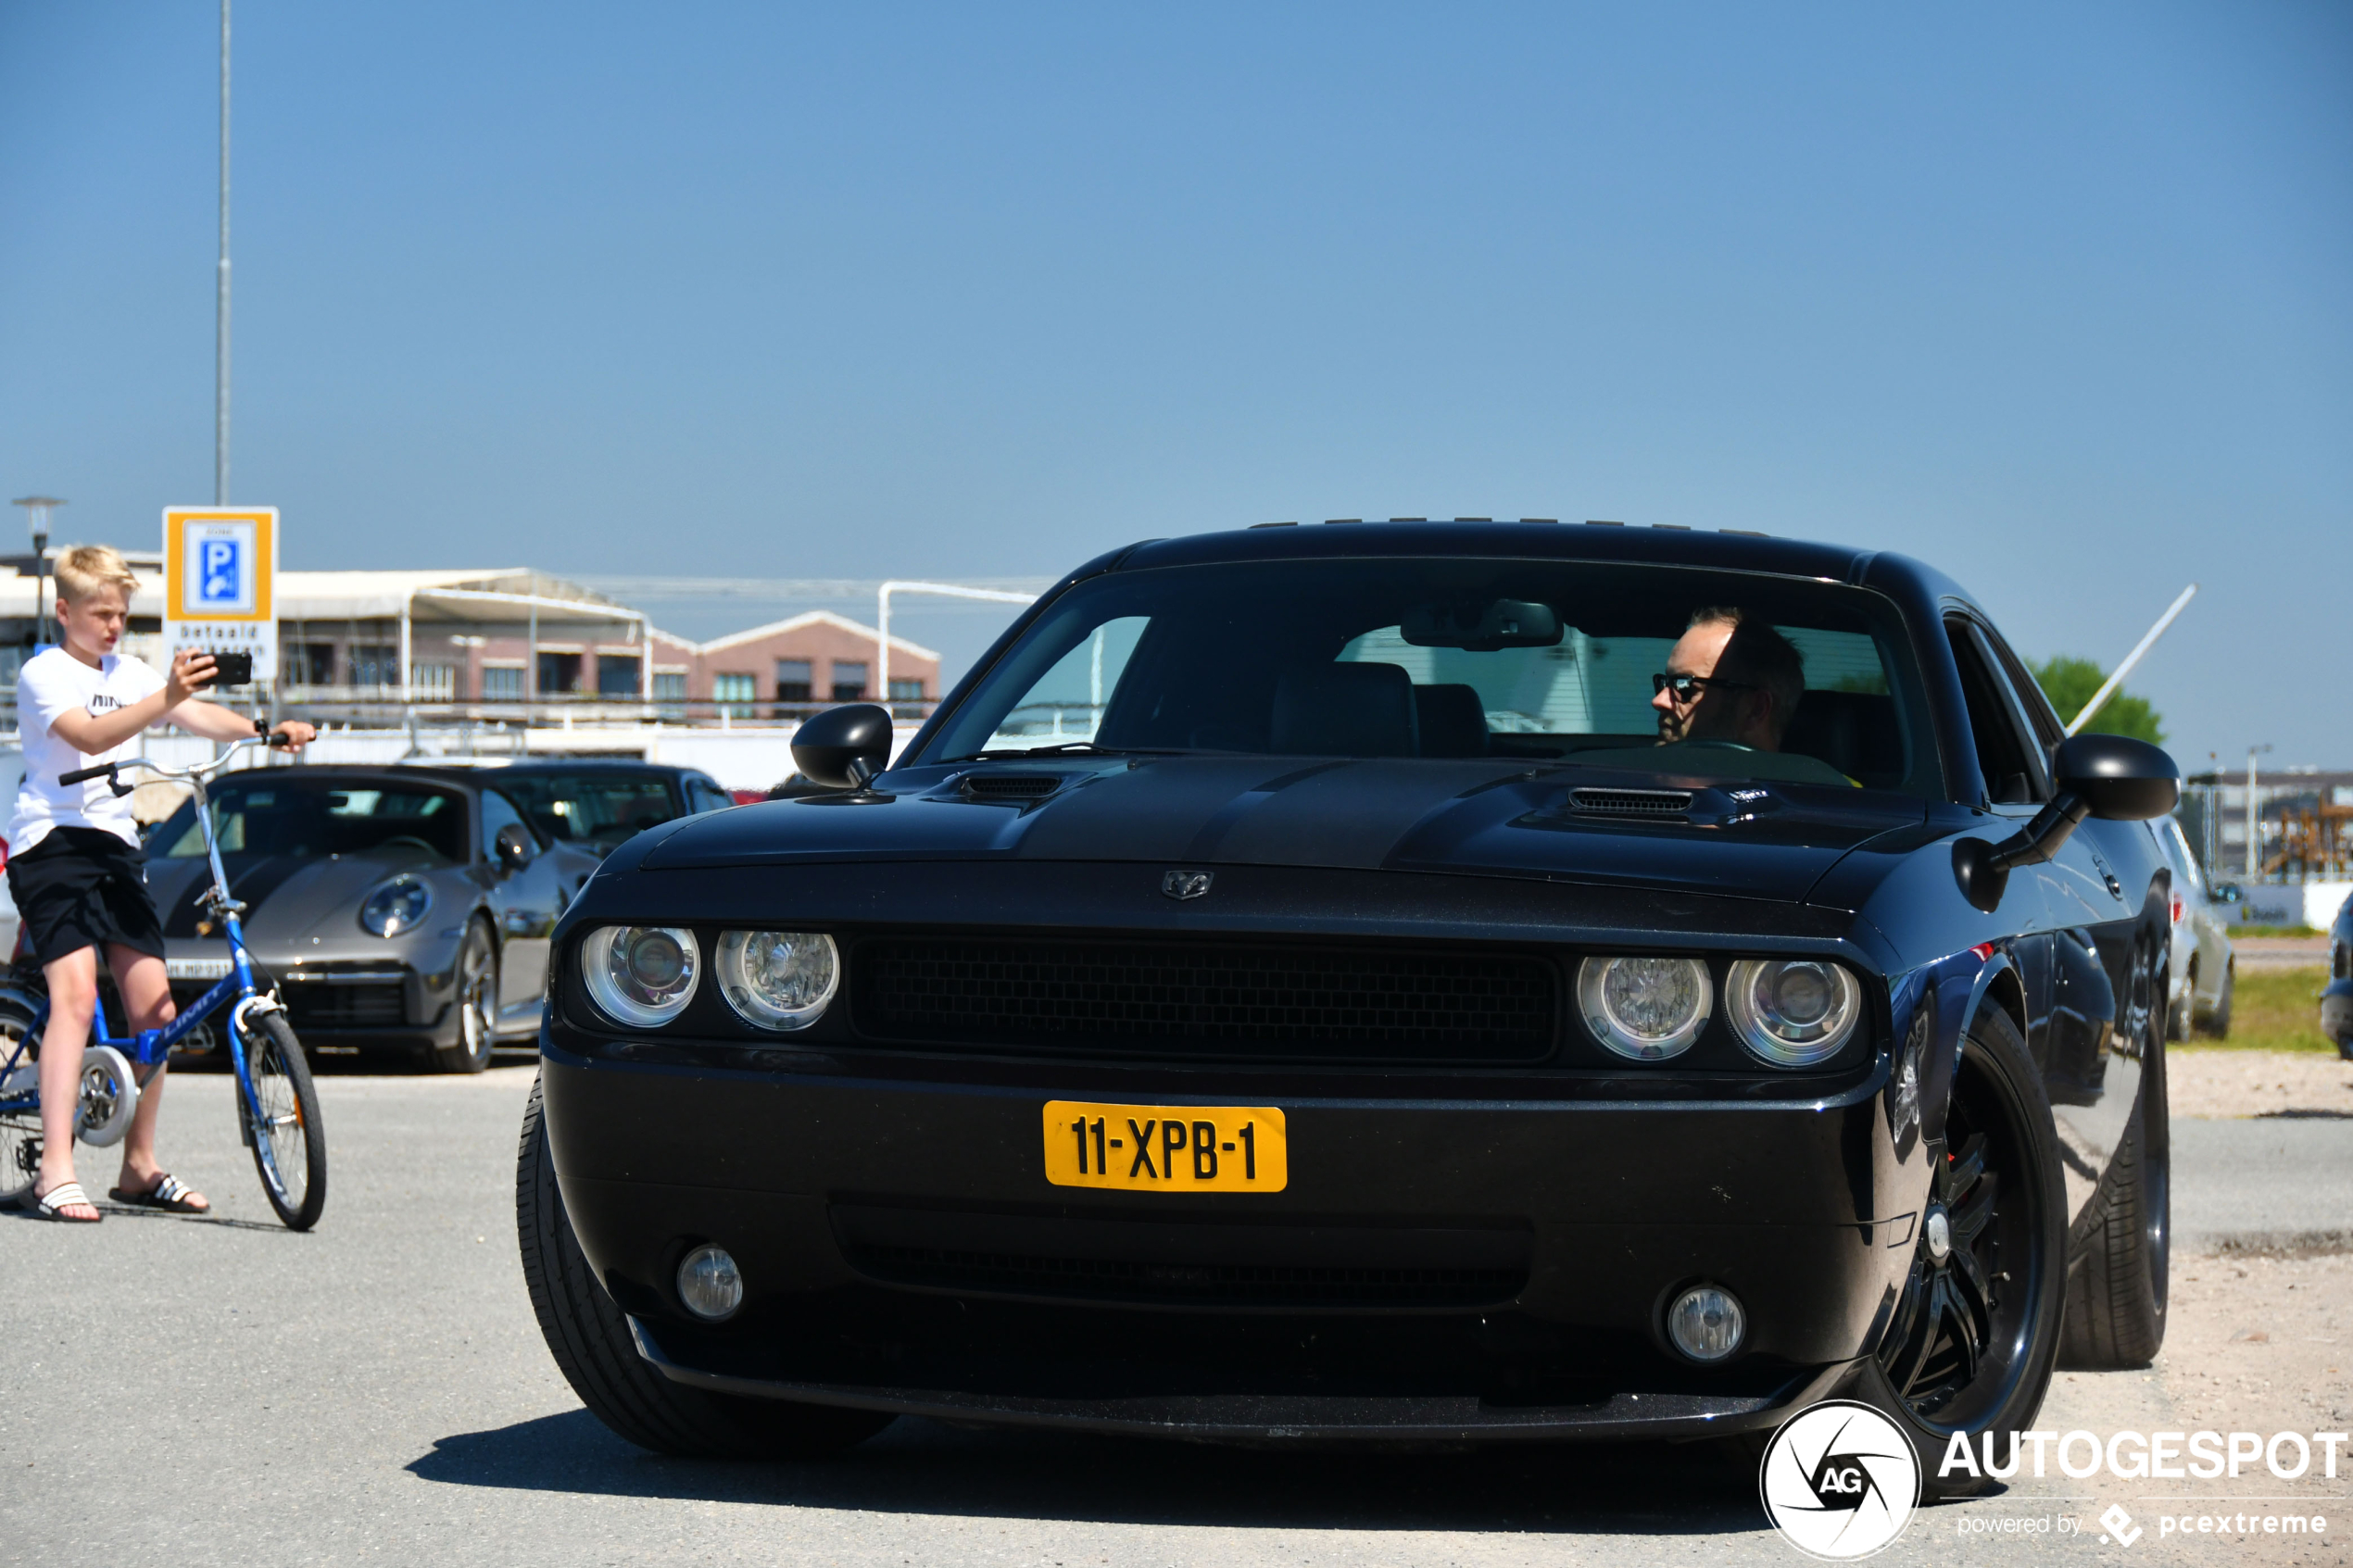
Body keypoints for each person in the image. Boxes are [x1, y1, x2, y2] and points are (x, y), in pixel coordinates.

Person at [9, 545, 314, 1223]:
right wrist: (165, 699)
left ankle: (137, 1164)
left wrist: (265, 732)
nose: (114, 626)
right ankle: (55, 1169)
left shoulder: (134, 671)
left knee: (156, 1013)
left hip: (116, 845)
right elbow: (89, 736)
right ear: (65, 611)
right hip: (50, 844)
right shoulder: (43, 672)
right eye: (100, 613)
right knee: (76, 992)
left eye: (121, 613)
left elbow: (193, 716)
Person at [1650, 606, 1806, 751]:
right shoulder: (1637, 776)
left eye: (1685, 686)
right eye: (1664, 683)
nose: (1658, 701)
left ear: (1756, 709)